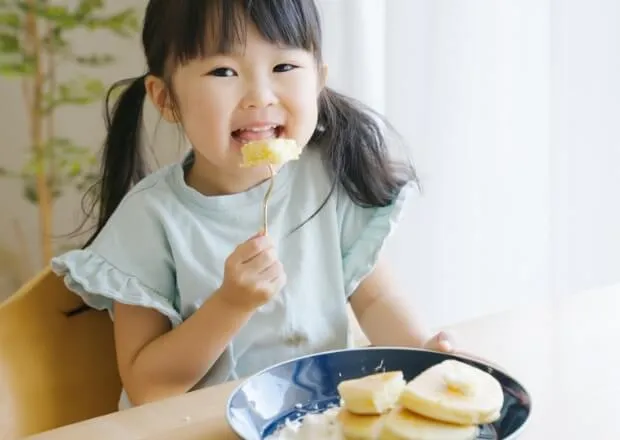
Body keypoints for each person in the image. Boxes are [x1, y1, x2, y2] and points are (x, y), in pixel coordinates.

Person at [52, 0, 456, 410]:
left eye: (283, 67)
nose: (259, 96)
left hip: (317, 421)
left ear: (318, 79)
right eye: (223, 71)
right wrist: (230, 304)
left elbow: (375, 299)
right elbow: (148, 387)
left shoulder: (327, 179)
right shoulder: (150, 219)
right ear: (166, 99)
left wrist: (425, 355)